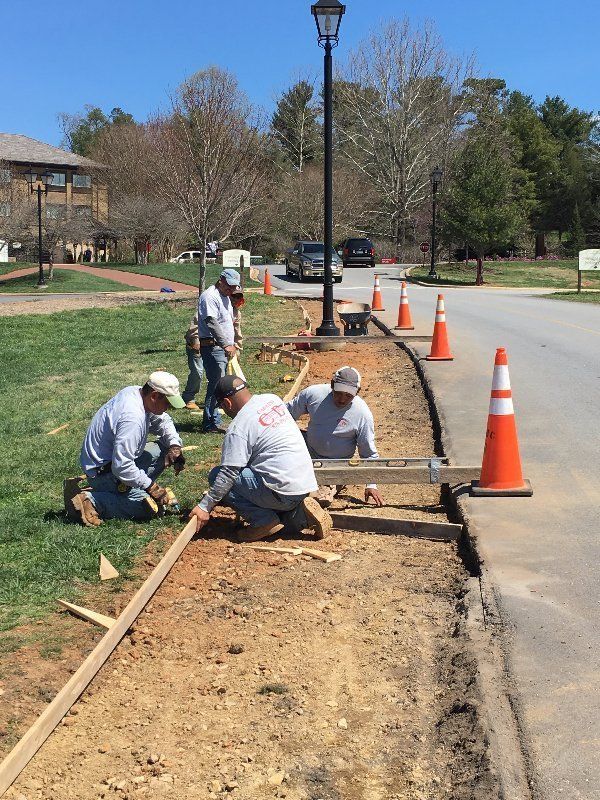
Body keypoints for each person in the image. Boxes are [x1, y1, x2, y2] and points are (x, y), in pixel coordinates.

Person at [189, 376, 332, 542]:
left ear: (227, 403)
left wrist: (204, 506)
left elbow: (228, 473)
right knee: (280, 507)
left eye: (222, 406)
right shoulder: (272, 400)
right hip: (305, 485)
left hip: (281, 492)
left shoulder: (238, 427)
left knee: (217, 475)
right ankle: (300, 515)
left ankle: (263, 521)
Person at [66, 371, 187, 527]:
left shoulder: (136, 392)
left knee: (165, 448)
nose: (169, 407)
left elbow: (164, 422)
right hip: (106, 472)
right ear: (155, 396)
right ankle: (92, 501)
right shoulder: (132, 419)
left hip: (109, 464)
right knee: (150, 508)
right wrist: (152, 487)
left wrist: (175, 446)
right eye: (168, 403)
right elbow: (122, 467)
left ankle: (109, 492)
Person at [286, 366, 384, 508]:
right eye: (338, 393)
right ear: (332, 385)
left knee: (318, 498)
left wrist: (371, 484)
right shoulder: (313, 395)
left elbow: (368, 454)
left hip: (335, 465)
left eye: (349, 396)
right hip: (308, 452)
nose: (342, 400)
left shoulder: (362, 414)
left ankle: (331, 487)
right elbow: (285, 414)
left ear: (357, 392)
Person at [182, 292, 244, 412]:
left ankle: (218, 403)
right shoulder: (212, 307)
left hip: (218, 347)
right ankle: (189, 398)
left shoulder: (236, 313)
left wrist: (237, 347)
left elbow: (237, 332)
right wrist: (195, 341)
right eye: (234, 297)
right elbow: (195, 326)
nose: (236, 300)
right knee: (198, 372)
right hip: (198, 344)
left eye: (239, 298)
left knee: (219, 376)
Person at [197, 269, 242, 433]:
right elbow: (212, 322)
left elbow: (226, 322)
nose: (231, 290)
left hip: (222, 347)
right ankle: (210, 423)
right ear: (221, 280)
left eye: (233, 287)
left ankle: (215, 419)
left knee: (220, 385)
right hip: (213, 347)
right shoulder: (210, 296)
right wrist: (225, 344)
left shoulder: (225, 297)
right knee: (216, 386)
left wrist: (233, 342)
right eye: (229, 286)